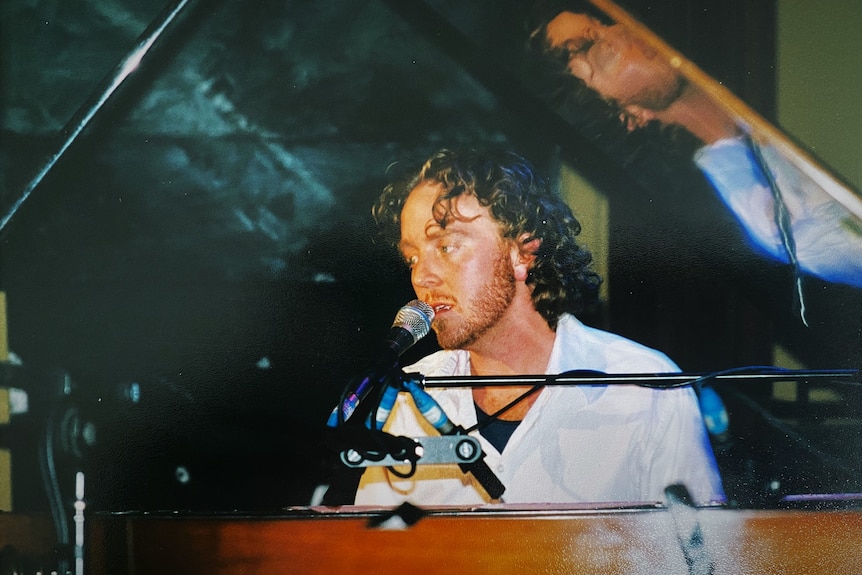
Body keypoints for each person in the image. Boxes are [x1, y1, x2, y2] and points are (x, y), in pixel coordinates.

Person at [352, 148, 725, 506]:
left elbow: (700, 554)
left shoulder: (644, 384)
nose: (422, 275)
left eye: (446, 247)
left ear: (522, 252)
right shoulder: (405, 400)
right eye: (412, 257)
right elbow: (369, 551)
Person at [531, 3, 862, 288]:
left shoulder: (765, 98)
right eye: (597, 49)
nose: (621, 33)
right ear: (626, 116)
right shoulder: (770, 217)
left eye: (604, 23)